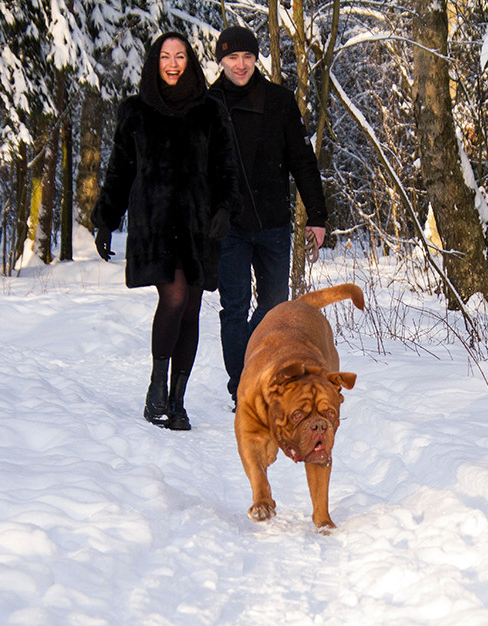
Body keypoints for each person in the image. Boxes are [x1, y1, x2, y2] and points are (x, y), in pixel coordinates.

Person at [92, 32, 240, 430]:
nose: (172, 64)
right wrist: (106, 219)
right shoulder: (135, 111)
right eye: (165, 57)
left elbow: (227, 166)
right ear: (154, 62)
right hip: (155, 223)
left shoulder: (209, 110)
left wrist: (226, 207)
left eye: (180, 56)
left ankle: (178, 401)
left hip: (199, 223)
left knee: (191, 307)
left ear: (190, 61)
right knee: (174, 298)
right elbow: (119, 170)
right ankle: (156, 391)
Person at [208, 26, 329, 408]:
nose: (240, 65)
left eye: (247, 57)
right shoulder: (209, 105)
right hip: (229, 227)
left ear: (256, 58)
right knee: (234, 307)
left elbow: (302, 161)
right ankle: (241, 387)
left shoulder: (279, 100)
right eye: (232, 58)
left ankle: (259, 368)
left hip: (275, 224)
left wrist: (318, 215)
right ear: (221, 61)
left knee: (277, 308)